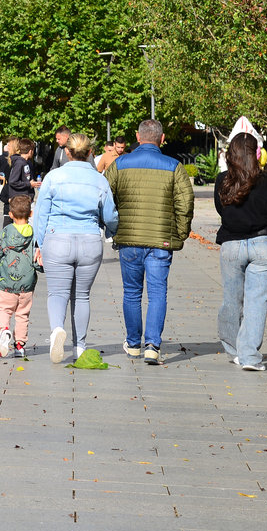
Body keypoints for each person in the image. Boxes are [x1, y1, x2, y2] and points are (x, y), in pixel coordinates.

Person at [104, 120, 193, 365]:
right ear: (162, 138)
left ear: (137, 137)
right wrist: (180, 234)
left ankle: (133, 344)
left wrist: (113, 229)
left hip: (129, 240)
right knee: (157, 293)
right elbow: (185, 205)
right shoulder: (174, 166)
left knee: (132, 293)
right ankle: (152, 345)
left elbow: (105, 199)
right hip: (161, 241)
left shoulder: (119, 164)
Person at [35, 132, 118, 364]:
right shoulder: (99, 180)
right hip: (89, 240)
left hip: (57, 238)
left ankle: (56, 331)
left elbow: (40, 213)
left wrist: (38, 244)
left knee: (57, 293)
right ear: (91, 152)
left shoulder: (54, 177)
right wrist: (111, 231)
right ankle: (80, 346)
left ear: (67, 152)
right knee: (81, 295)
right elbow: (110, 215)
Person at [214, 132, 267, 372]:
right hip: (262, 243)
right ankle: (250, 356)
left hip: (232, 245)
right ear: (256, 154)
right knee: (257, 302)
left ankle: (234, 349)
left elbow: (220, 209)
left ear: (230, 154)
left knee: (231, 301)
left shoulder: (223, 180)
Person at [0, 194, 40, 359]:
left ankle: (4, 331)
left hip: (6, 282)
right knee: (22, 314)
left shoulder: (5, 234)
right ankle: (20, 345)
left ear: (11, 214)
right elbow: (39, 258)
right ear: (30, 214)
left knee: (4, 310)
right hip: (27, 284)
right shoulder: (35, 235)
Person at [0, 139, 37, 227]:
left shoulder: (25, 163)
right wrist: (29, 184)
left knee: (30, 221)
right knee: (28, 222)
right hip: (21, 199)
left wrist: (31, 182)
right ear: (31, 151)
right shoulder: (19, 163)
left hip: (26, 197)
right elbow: (13, 181)